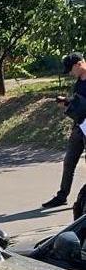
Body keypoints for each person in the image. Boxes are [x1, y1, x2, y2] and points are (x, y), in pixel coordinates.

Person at [42, 52, 86, 209]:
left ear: (78, 65)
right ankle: (62, 196)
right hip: (79, 126)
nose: (70, 73)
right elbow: (79, 103)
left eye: (70, 70)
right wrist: (67, 103)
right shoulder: (79, 83)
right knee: (69, 162)